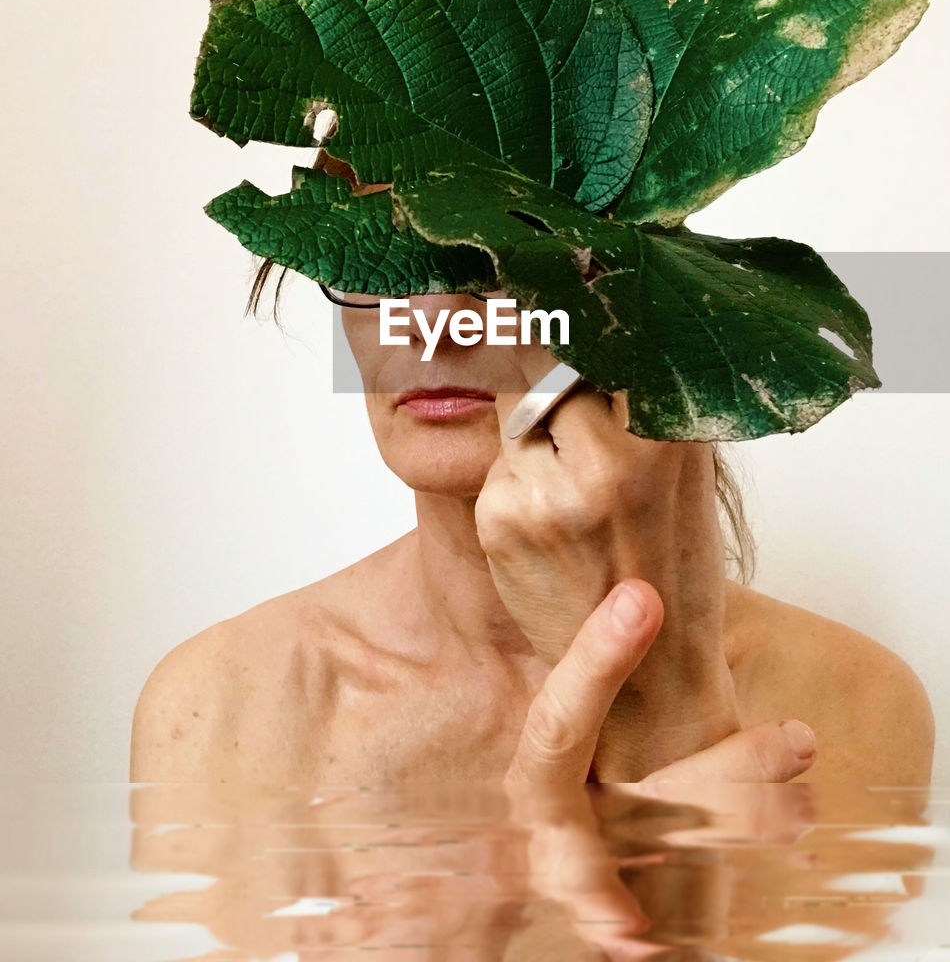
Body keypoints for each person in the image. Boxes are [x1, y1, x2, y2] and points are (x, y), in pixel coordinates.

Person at [129, 278, 935, 786]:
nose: (432, 323)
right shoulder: (220, 709)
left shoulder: (859, 702)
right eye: (374, 262)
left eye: (496, 255)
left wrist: (673, 717)